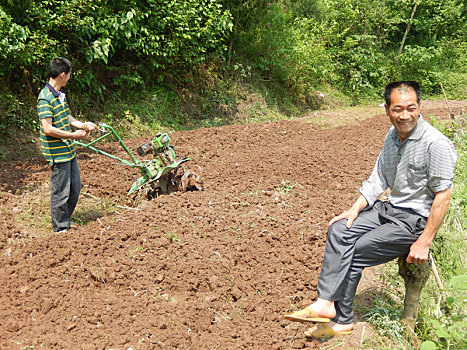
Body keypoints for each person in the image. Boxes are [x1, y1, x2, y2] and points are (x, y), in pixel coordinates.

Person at [284, 81, 457, 338]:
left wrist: (424, 242)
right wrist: (354, 208)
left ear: (420, 107)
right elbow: (379, 177)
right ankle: (325, 303)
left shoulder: (435, 143)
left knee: (356, 250)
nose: (405, 115)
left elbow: (443, 197)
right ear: (387, 109)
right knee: (340, 230)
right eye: (398, 109)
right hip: (389, 209)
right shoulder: (392, 135)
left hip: (414, 221)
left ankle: (342, 320)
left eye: (411, 108)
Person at [37, 57, 96, 233]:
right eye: (69, 74)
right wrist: (73, 135)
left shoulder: (60, 95)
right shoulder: (45, 98)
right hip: (57, 152)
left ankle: (65, 221)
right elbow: (47, 128)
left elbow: (67, 117)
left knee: (74, 189)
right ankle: (60, 229)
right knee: (60, 193)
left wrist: (82, 125)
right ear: (62, 75)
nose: (70, 77)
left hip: (68, 150)